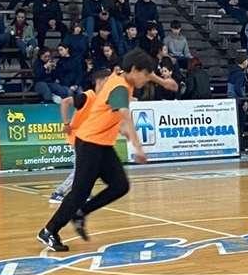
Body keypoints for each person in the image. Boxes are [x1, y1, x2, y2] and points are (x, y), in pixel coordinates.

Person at [38, 50, 163, 251]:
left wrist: (163, 81)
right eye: (145, 74)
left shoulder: (122, 77)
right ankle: (49, 230)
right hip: (89, 143)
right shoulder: (120, 88)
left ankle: (81, 213)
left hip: (102, 144)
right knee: (79, 192)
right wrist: (138, 147)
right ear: (133, 70)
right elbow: (125, 116)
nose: (146, 79)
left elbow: (124, 75)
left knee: (120, 185)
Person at [48, 68, 113, 205]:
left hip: (89, 139)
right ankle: (58, 193)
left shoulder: (103, 100)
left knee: (91, 167)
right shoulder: (87, 96)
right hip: (79, 138)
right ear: (100, 82)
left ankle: (84, 192)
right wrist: (66, 123)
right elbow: (65, 102)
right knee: (80, 169)